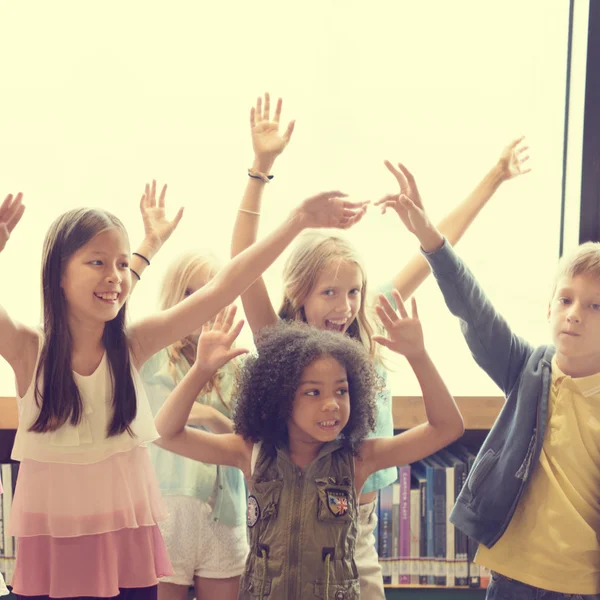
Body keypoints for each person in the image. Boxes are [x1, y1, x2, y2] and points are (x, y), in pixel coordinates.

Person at [0, 181, 366, 599]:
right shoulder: (30, 349)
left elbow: (224, 286)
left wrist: (297, 221)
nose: (115, 277)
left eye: (123, 264)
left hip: (127, 539)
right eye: (97, 262)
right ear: (58, 274)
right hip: (54, 541)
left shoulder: (133, 346)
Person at [230, 92, 530, 598]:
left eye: (352, 292)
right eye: (329, 292)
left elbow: (436, 251)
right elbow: (242, 259)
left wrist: (494, 177)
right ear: (298, 293)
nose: (344, 305)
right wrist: (260, 168)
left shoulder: (369, 328)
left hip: (356, 525)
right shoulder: (278, 345)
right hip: (289, 526)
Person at [386, 162, 600, 599]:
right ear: (549, 308)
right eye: (566, 299)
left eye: (595, 306)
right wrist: (430, 238)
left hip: (582, 584)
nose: (575, 313)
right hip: (510, 577)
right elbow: (474, 310)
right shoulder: (527, 367)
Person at [154, 297, 464, 599]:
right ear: (281, 397)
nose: (331, 404)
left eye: (341, 391)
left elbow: (447, 427)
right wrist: (202, 369)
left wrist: (418, 355)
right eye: (313, 392)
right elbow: (166, 433)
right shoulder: (251, 452)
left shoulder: (359, 458)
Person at [141, 250, 248, 600]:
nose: (203, 303)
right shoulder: (150, 356)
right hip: (165, 512)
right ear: (175, 298)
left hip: (225, 511)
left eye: (212, 291)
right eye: (191, 293)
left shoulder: (239, 364)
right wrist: (214, 421)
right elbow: (155, 427)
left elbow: (248, 443)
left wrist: (209, 416)